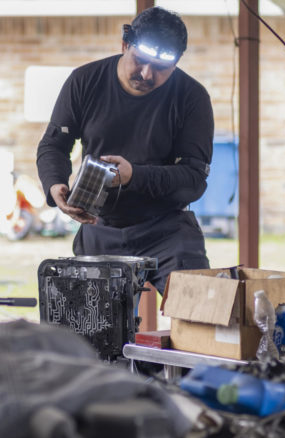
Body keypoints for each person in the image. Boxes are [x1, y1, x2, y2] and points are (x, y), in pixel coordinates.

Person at [36, 6, 213, 294]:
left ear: (177, 62)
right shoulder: (84, 81)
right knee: (93, 327)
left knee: (197, 311)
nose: (146, 74)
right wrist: (55, 185)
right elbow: (54, 145)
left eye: (160, 68)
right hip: (99, 225)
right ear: (124, 45)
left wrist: (134, 176)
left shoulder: (192, 97)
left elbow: (194, 181)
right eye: (140, 61)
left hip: (168, 229)